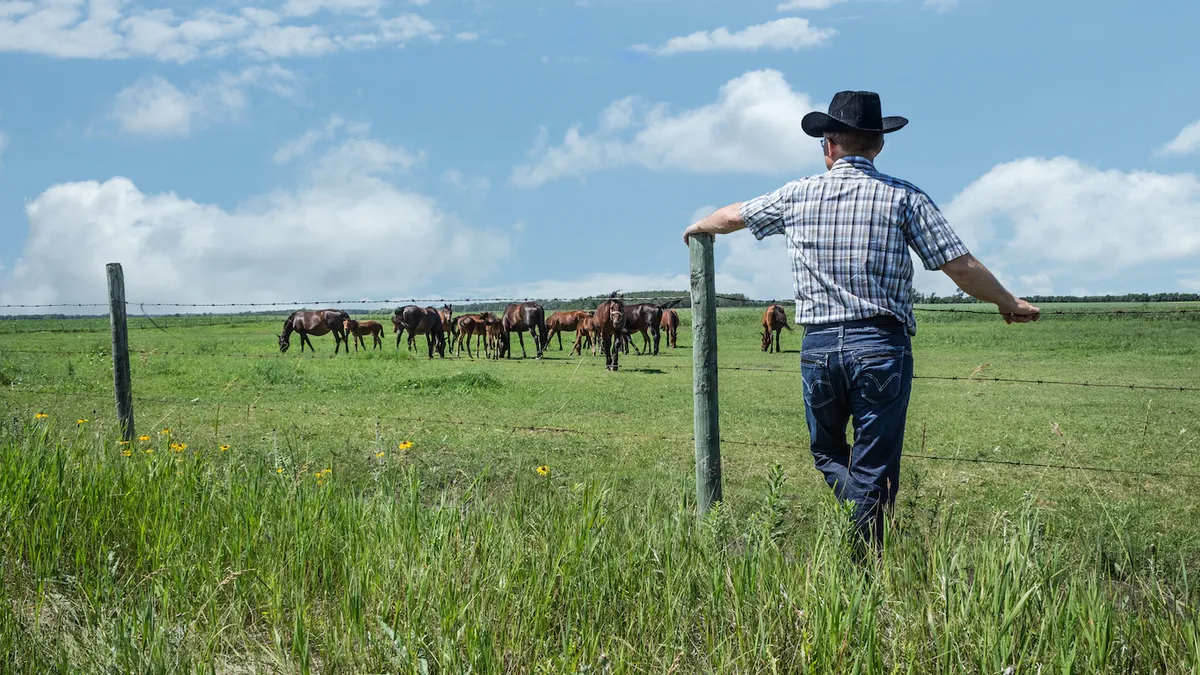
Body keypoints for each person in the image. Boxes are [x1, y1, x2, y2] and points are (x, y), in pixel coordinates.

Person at [682, 90, 1040, 549]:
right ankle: (862, 561)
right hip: (880, 345)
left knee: (827, 451)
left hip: (818, 347)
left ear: (827, 145)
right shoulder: (904, 197)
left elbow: (734, 216)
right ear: (879, 144)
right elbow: (959, 265)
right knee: (875, 466)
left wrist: (697, 228)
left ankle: (860, 550)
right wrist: (1008, 302)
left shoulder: (797, 195)